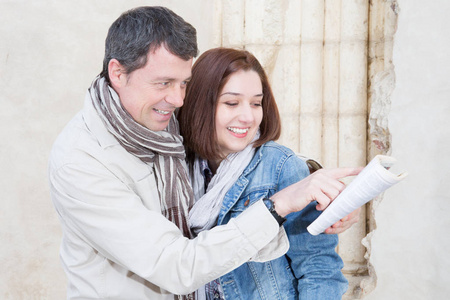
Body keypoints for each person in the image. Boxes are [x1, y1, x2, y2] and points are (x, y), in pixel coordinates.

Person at [48, 6, 360, 300]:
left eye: (184, 83)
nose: (177, 98)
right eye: (163, 82)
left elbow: (255, 163)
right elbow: (175, 265)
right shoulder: (81, 162)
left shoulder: (160, 125)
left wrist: (317, 186)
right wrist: (281, 202)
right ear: (118, 73)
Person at [177, 47, 352, 299]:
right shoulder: (174, 168)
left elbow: (319, 268)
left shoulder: (281, 167)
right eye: (231, 103)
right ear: (199, 105)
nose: (248, 116)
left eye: (256, 103)